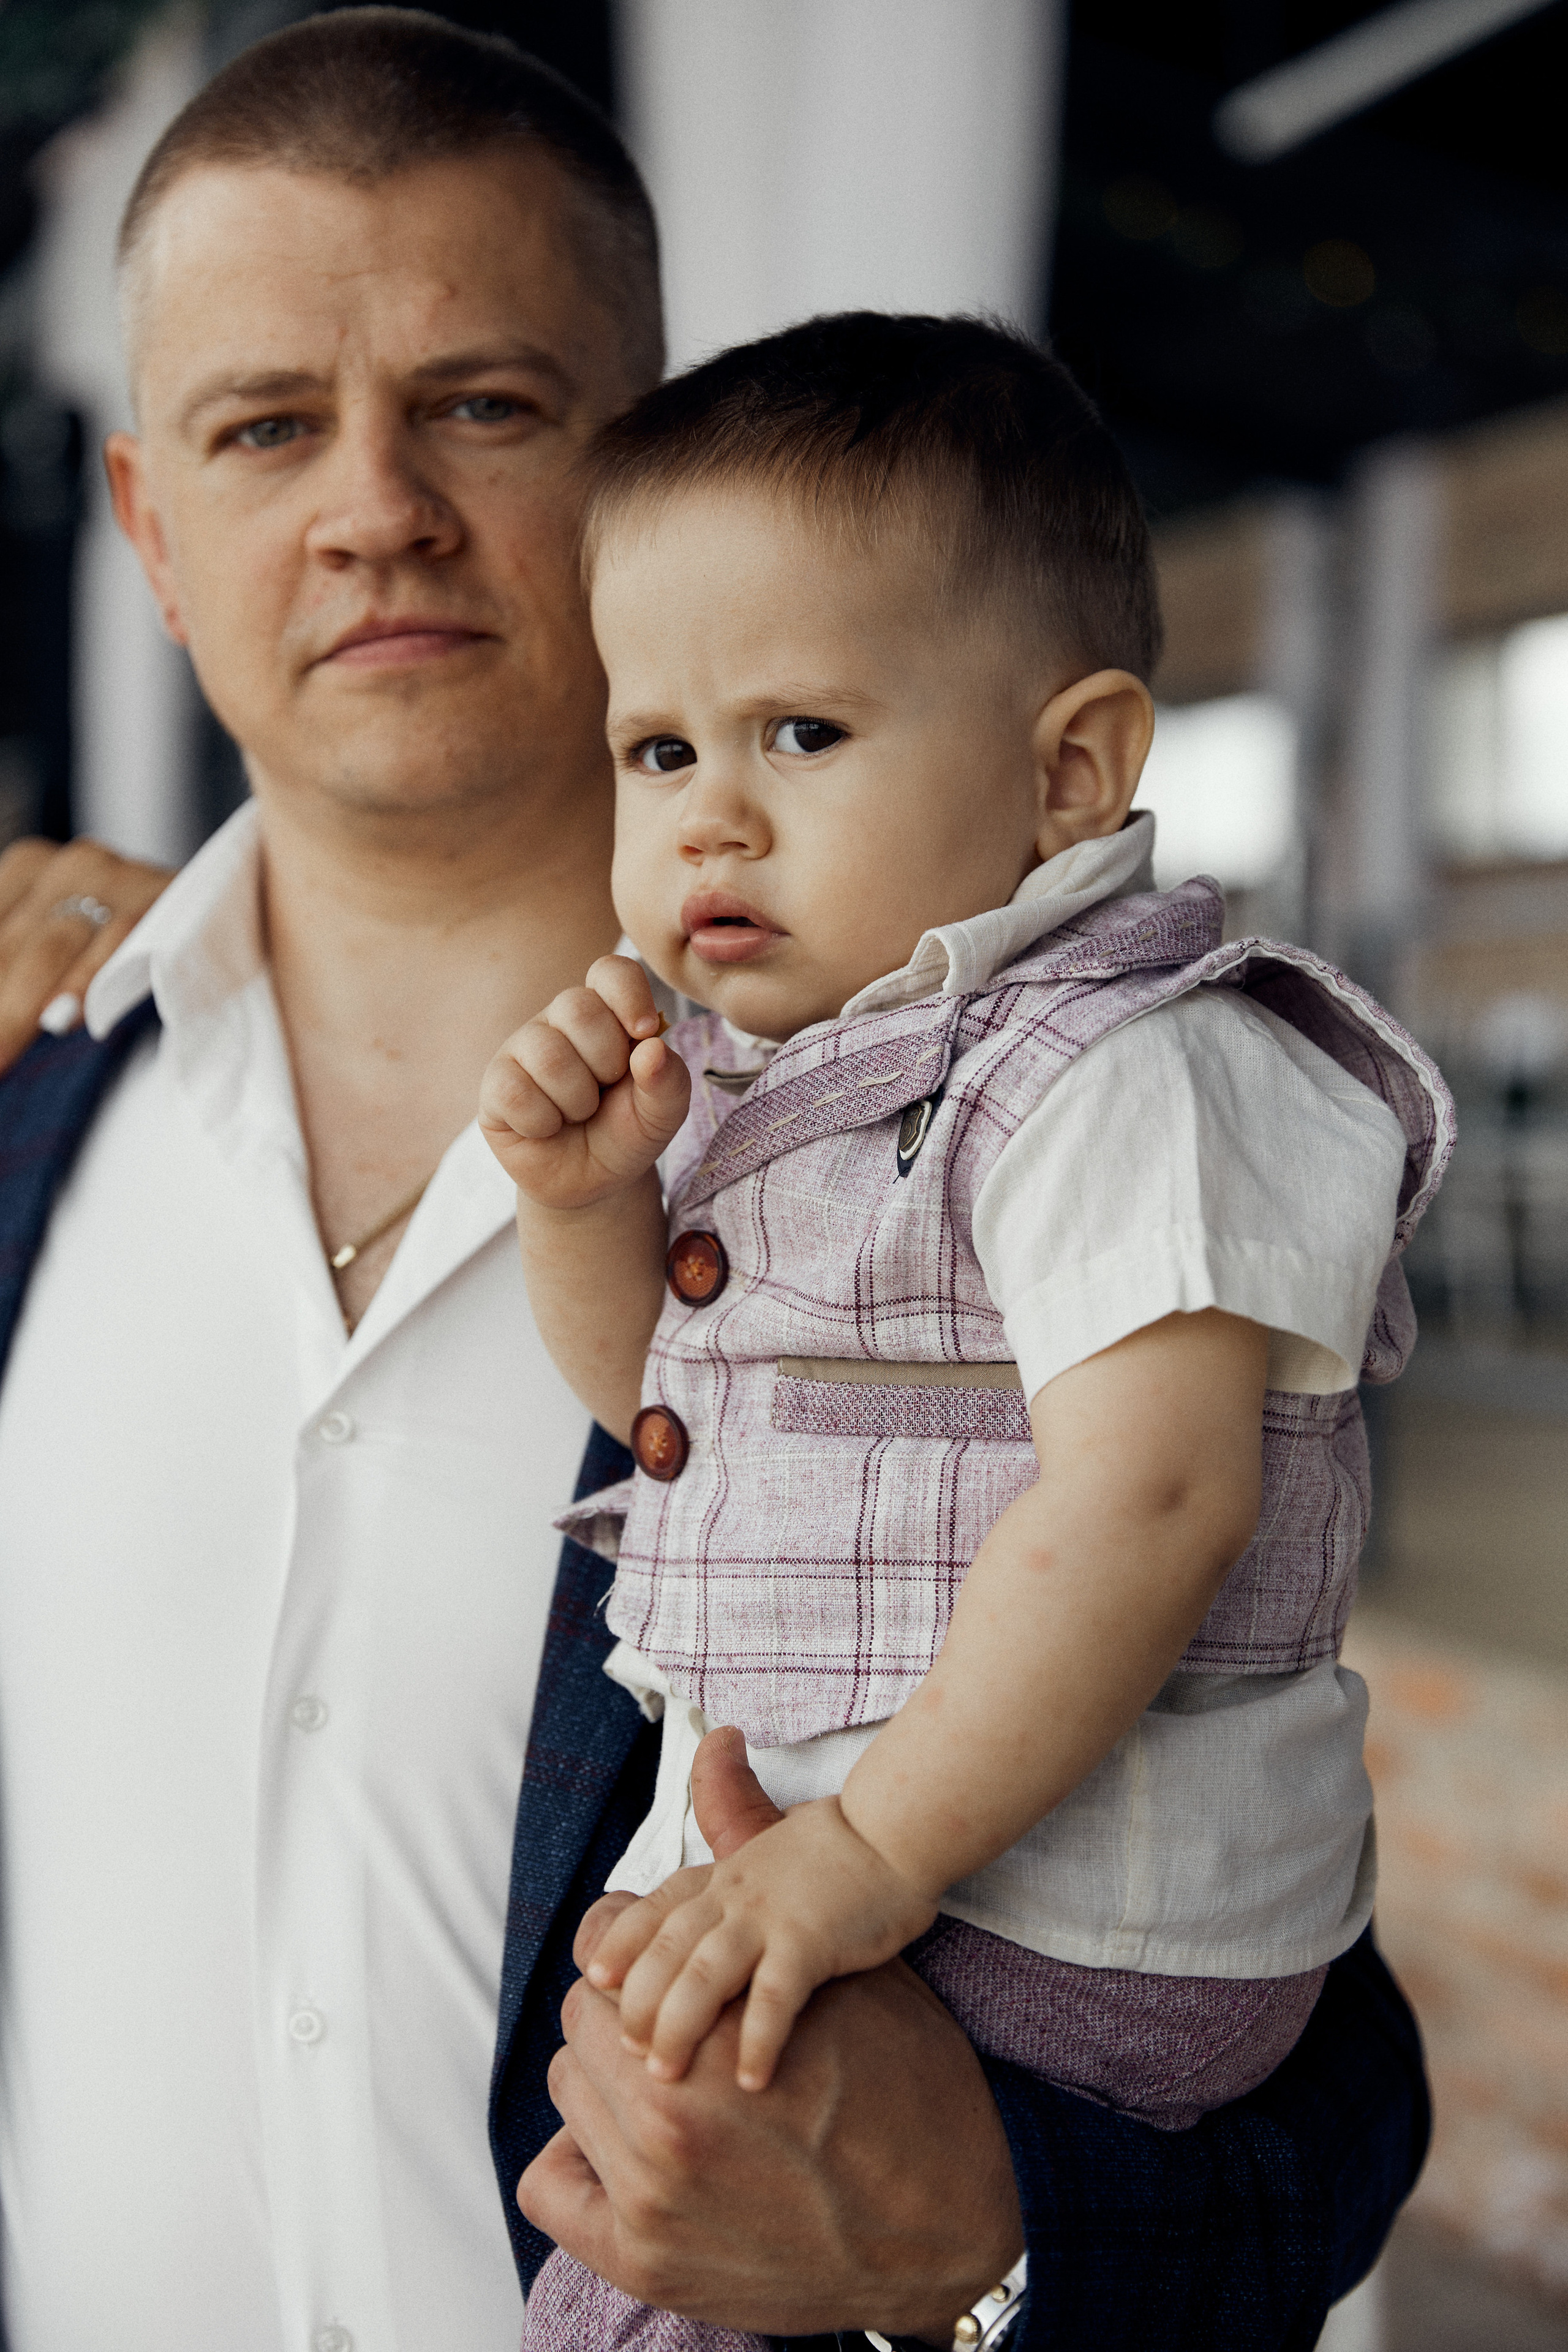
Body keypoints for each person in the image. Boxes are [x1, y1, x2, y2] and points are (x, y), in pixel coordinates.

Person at [0, 14, 1431, 2352]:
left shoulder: (960, 1134)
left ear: (644, 471)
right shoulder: (27, 1115)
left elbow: (1316, 2061)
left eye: (485, 404)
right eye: (267, 429)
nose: (375, 507)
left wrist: (990, 2242)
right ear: (156, 531)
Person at [478, 315, 1450, 2349]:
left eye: (799, 736)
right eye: (659, 752)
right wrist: (590, 1205)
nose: (709, 822)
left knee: (643, 2281)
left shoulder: (1120, 1074)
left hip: (1052, 1905)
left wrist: (860, 1864)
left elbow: (1157, 1502)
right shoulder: (798, 1084)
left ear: (1068, 768)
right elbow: (666, 1431)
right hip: (926, 1878)